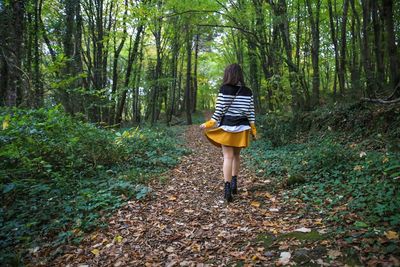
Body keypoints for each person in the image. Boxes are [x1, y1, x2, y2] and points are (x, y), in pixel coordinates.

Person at [200, 63, 257, 203]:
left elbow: (218, 112)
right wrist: (253, 129)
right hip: (242, 128)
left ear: (228, 74)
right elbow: (251, 113)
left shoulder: (224, 89)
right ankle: (234, 184)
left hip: (227, 127)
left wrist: (209, 124)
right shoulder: (248, 91)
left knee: (228, 157)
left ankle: (227, 189)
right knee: (237, 156)